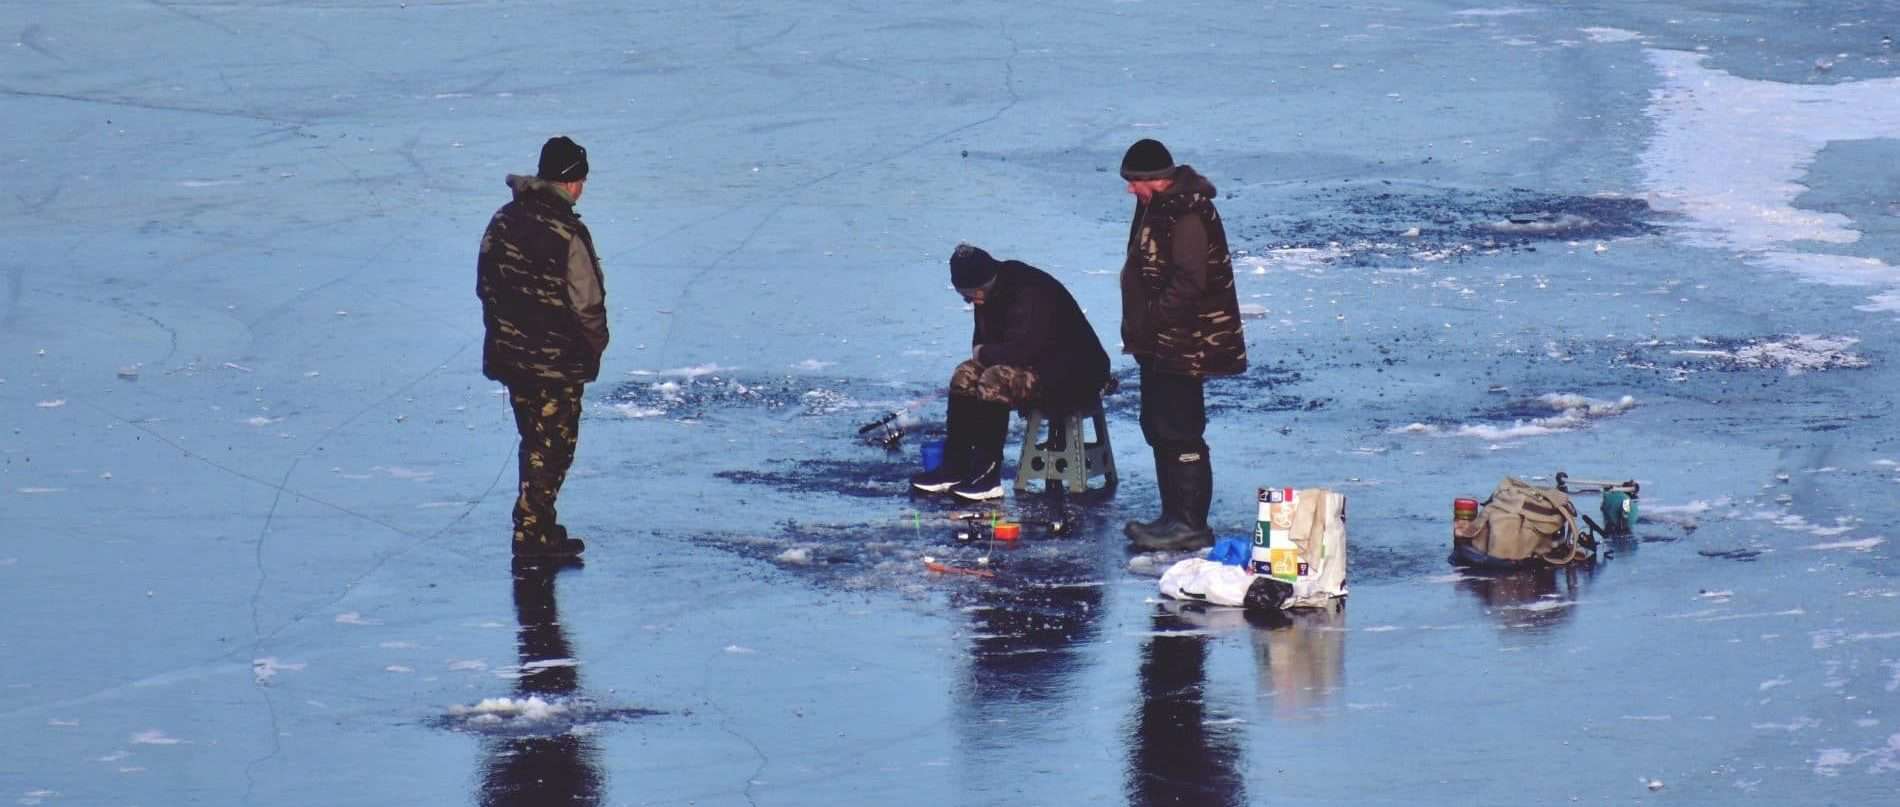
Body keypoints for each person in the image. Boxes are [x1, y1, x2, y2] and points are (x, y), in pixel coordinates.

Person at [476, 136, 608, 559]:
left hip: (512, 357)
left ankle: (540, 528)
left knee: (534, 440)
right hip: (555, 364)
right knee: (552, 448)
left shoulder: (503, 220)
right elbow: (587, 302)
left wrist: (504, 335)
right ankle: (530, 534)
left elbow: (486, 286)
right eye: (581, 179)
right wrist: (593, 347)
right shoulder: (568, 233)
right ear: (571, 182)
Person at [1117, 139, 1248, 550]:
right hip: (1159, 341)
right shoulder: (1154, 207)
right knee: (1158, 425)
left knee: (1180, 427)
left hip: (1185, 340)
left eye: (1133, 182)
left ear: (1155, 180)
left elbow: (1191, 280)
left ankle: (1190, 523)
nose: (1129, 190)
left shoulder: (1187, 214)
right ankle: (1172, 515)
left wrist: (1155, 319)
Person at [910, 244, 1110, 501]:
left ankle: (988, 476)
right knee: (965, 375)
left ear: (984, 285)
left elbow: (1021, 351)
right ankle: (955, 466)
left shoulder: (1029, 291)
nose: (973, 302)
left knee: (994, 381)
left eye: (972, 296)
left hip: (1073, 373)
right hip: (1035, 364)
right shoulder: (987, 293)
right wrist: (983, 355)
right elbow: (984, 348)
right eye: (966, 298)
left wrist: (984, 355)